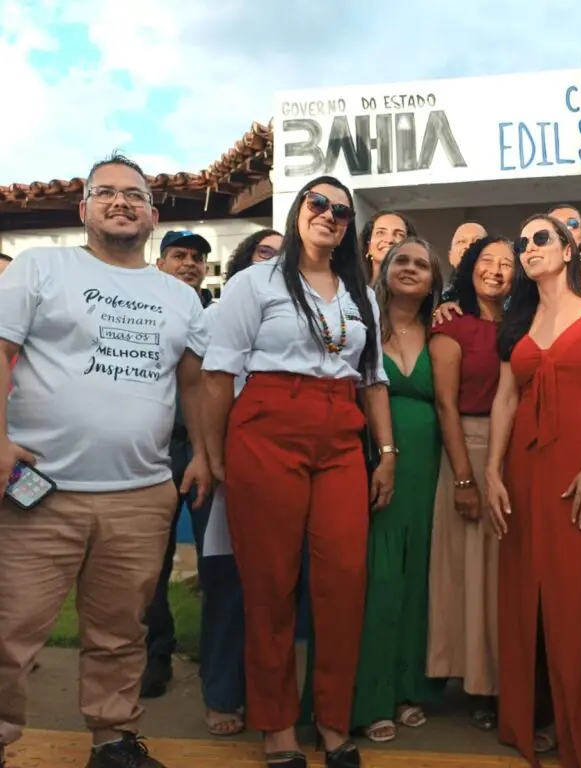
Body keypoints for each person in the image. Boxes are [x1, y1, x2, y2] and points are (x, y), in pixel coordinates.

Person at [0, 152, 210, 768]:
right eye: (107, 192)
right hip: (39, 489)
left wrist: (203, 453)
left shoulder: (180, 297)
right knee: (10, 628)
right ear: (83, 208)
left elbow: (194, 384)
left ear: (152, 214)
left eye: (135, 194)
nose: (122, 202)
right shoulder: (41, 267)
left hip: (141, 494)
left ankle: (113, 740)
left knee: (121, 633)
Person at [202, 176, 394, 768]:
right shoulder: (253, 282)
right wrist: (213, 454)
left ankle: (332, 720)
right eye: (318, 202)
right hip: (266, 427)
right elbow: (218, 373)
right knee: (270, 582)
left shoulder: (361, 295)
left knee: (344, 579)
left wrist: (387, 453)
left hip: (340, 435)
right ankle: (277, 723)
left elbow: (373, 380)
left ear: (349, 227)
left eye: (341, 210)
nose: (329, 214)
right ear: (298, 211)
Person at [485, 214, 581, 768]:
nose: (529, 247)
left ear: (569, 250)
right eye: (522, 242)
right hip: (525, 472)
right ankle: (535, 717)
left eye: (541, 238)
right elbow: (505, 398)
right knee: (528, 594)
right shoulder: (519, 319)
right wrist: (492, 469)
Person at [351, 238, 447, 741]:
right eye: (401, 261)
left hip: (430, 469)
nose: (410, 269)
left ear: (434, 281)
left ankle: (411, 687)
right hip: (373, 464)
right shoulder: (361, 326)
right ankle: (371, 696)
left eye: (421, 265)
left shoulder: (441, 331)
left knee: (419, 580)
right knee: (380, 580)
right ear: (383, 270)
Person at [190, 229, 282, 738]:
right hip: (226, 462)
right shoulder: (215, 315)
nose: (274, 262)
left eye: (283, 256)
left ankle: (272, 693)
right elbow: (198, 385)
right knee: (227, 582)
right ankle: (222, 692)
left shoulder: (301, 316)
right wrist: (206, 454)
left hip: (281, 460)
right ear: (245, 261)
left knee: (277, 585)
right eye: (265, 252)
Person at [427, 235, 514, 730]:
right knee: (474, 575)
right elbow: (445, 405)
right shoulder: (451, 326)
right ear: (469, 267)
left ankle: (512, 677)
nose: (496, 270)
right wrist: (464, 478)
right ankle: (480, 685)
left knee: (507, 575)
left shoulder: (524, 324)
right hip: (470, 452)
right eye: (487, 261)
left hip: (517, 456)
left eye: (507, 263)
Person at [142, 229, 215, 701]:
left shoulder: (219, 316)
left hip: (208, 449)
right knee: (152, 559)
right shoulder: (145, 310)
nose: (189, 263)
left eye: (197, 257)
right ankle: (155, 653)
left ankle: (217, 654)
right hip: (158, 448)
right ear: (161, 263)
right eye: (179, 255)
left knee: (216, 557)